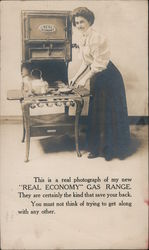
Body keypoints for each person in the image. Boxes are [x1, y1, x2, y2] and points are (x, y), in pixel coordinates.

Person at [70, 7, 131, 160]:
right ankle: (95, 149)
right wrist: (76, 77)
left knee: (109, 113)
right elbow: (86, 62)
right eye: (76, 22)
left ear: (89, 21)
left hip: (109, 77)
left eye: (82, 21)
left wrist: (85, 79)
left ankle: (112, 150)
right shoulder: (83, 38)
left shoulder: (97, 38)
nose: (79, 25)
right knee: (97, 113)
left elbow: (98, 64)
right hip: (97, 77)